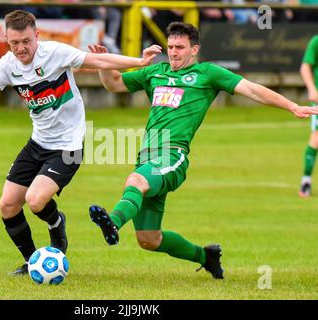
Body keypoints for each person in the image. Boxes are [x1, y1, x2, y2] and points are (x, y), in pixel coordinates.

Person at [88, 22, 318, 279]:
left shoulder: (207, 74)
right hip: (147, 158)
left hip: (172, 156)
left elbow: (252, 90)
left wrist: (292, 106)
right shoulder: (156, 72)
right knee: (148, 239)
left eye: (180, 47)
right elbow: (114, 84)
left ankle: (113, 223)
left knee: (136, 181)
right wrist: (102, 64)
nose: (173, 52)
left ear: (194, 49)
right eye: (171, 46)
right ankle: (206, 256)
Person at [0, 9, 161, 275]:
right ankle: (32, 261)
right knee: (7, 205)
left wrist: (140, 61)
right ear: (6, 41)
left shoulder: (55, 53)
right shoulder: (8, 64)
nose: (21, 48)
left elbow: (98, 61)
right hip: (38, 143)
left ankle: (57, 225)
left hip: (68, 146)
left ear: (36, 35)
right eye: (14, 43)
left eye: (26, 41)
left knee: (35, 201)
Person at [299, 35, 318, 197]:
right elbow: (305, 67)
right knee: (317, 137)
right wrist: (312, 89)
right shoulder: (316, 41)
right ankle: (306, 181)